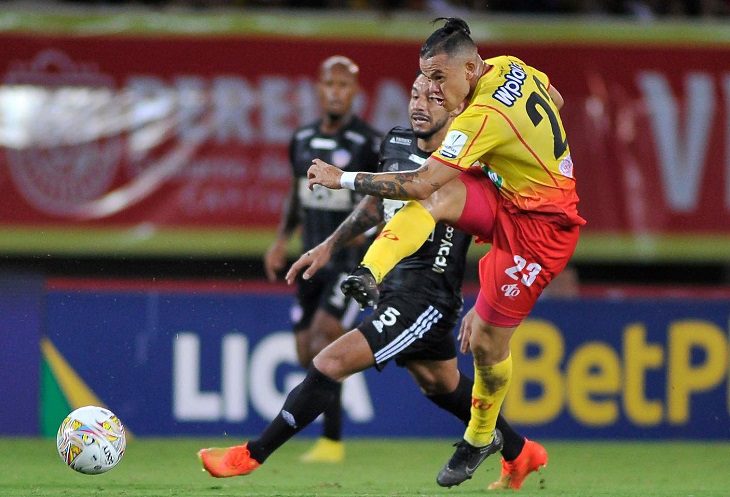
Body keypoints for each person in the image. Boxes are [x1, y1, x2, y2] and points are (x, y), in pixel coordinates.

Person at [198, 72, 548, 491]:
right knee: (440, 384)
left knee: (329, 362)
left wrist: (486, 303)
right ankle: (520, 451)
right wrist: (328, 244)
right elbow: (376, 205)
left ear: (457, 106)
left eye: (434, 98)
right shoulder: (396, 142)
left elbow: (508, 232)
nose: (421, 104)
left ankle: (250, 456)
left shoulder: (473, 162)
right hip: (393, 286)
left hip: (426, 298)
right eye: (416, 95)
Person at [306, 17, 585, 488]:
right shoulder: (508, 66)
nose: (430, 89)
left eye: (439, 77)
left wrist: (343, 179)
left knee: (486, 343)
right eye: (425, 76)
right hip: (509, 198)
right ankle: (369, 272)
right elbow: (554, 101)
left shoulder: (483, 118)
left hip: (541, 229)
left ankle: (480, 438)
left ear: (471, 69)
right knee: (436, 200)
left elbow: (416, 180)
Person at [262, 54, 382, 463]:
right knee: (303, 353)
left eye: (344, 85)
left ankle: (332, 442)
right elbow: (296, 195)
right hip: (310, 258)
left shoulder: (369, 142)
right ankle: (328, 434)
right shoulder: (301, 139)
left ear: (355, 93)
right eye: (329, 84)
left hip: (348, 262)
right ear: (318, 88)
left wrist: (376, 248)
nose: (335, 92)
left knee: (323, 336)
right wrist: (281, 240)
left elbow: (384, 201)